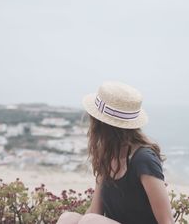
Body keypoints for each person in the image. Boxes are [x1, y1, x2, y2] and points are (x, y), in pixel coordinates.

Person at [57, 81, 174, 224]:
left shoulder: (144, 159)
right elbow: (95, 211)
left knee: (90, 221)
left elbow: (166, 221)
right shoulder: (107, 155)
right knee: (68, 218)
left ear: (100, 124)